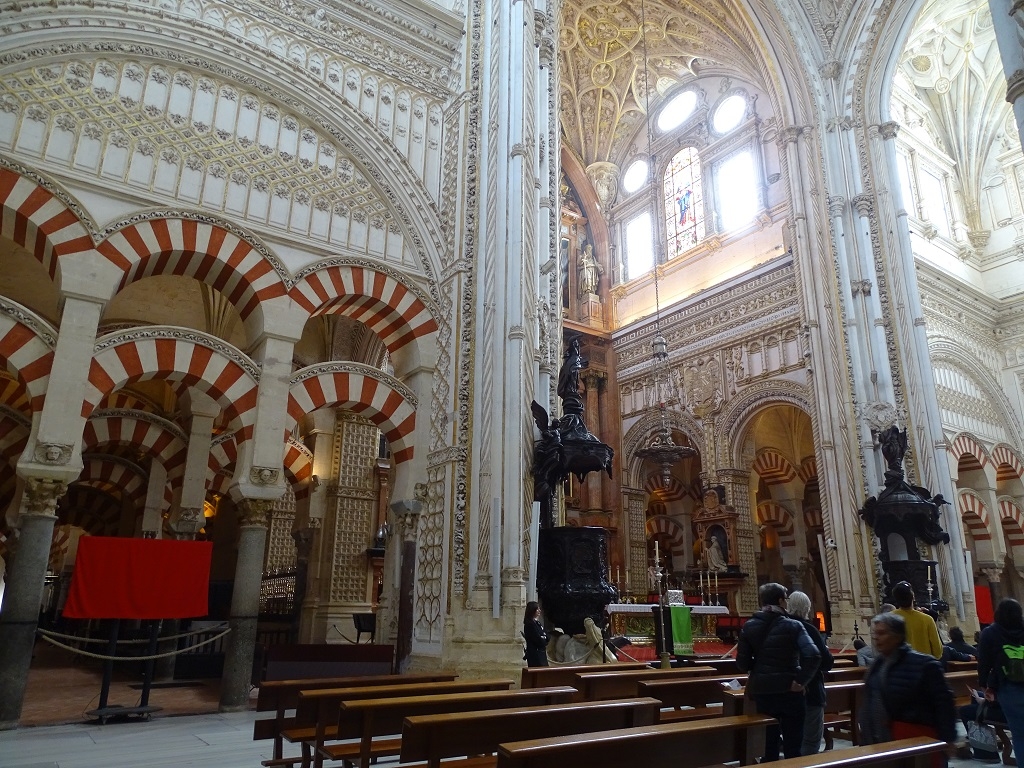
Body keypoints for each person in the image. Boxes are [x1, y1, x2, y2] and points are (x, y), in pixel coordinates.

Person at [736, 582, 822, 762]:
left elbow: (742, 664)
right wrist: (801, 681)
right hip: (790, 690)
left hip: (763, 691)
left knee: (768, 745)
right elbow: (814, 655)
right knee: (793, 746)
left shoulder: (749, 626)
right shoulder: (794, 626)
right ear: (782, 601)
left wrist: (760, 667)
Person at [859, 613, 956, 758]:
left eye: (882, 633)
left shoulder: (926, 665)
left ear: (897, 636)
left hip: (916, 739)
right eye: (875, 633)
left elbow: (944, 704)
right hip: (881, 739)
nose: (876, 638)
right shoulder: (877, 665)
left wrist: (948, 739)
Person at [787, 591, 835, 755]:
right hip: (811, 690)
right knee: (810, 742)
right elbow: (827, 662)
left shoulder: (779, 627)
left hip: (784, 693)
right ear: (807, 608)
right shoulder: (809, 629)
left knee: (791, 742)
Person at [978, 598, 1024, 766]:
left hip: (1009, 686)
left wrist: (984, 684)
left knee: (1019, 734)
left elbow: (984, 662)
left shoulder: (991, 633)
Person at [891, 581, 943, 658]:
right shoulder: (927, 619)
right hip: (924, 666)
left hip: (900, 667)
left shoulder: (889, 618)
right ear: (913, 596)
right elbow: (938, 651)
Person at [522, 601, 548, 667]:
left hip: (541, 653)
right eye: (537, 609)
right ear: (532, 610)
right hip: (535, 654)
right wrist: (543, 638)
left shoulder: (537, 623)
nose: (539, 610)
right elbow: (538, 639)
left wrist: (544, 638)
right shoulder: (529, 624)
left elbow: (546, 635)